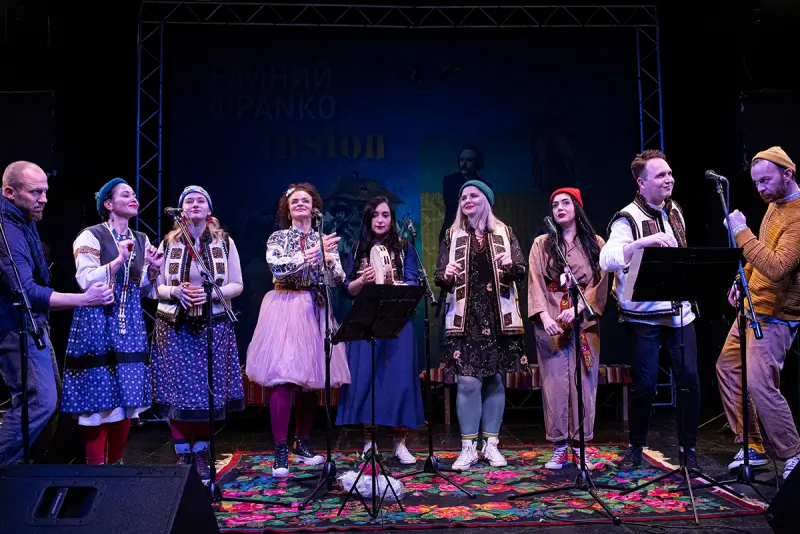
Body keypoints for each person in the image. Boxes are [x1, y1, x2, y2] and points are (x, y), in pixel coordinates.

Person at [0, 161, 113, 465]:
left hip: (33, 324)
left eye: (45, 191)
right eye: (35, 192)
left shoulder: (23, 219)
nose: (44, 199)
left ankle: (27, 471)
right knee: (40, 401)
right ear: (10, 192)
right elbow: (26, 291)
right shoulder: (6, 230)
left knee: (51, 402)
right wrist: (84, 299)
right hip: (15, 326)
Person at [599, 149, 701, 469]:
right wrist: (641, 244)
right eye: (660, 175)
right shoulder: (626, 218)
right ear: (641, 184)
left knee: (689, 379)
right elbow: (607, 259)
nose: (669, 179)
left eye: (669, 173)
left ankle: (689, 450)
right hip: (644, 315)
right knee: (645, 385)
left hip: (679, 311)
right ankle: (636, 446)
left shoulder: (675, 210)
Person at [246, 183, 351, 477]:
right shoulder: (279, 237)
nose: (300, 204)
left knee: (311, 379)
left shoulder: (322, 238)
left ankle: (302, 443)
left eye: (306, 200)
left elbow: (338, 279)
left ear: (314, 206)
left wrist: (329, 261)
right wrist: (311, 255)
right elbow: (277, 267)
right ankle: (280, 449)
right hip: (286, 306)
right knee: (284, 378)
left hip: (316, 308)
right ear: (288, 208)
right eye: (295, 201)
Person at [61, 178, 163, 464]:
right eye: (125, 194)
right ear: (108, 203)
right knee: (98, 400)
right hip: (98, 320)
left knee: (126, 399)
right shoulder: (91, 236)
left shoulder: (141, 239)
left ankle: (117, 469)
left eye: (134, 194)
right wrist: (118, 260)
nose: (133, 198)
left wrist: (154, 270)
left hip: (129, 322)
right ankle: (95, 472)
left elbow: (142, 289)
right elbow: (85, 280)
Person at [716, 146, 800, 480]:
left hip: (776, 315)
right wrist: (742, 280)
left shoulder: (797, 216)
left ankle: (792, 453)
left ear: (787, 174)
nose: (760, 188)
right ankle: (752, 445)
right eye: (756, 183)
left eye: (766, 180)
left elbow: (777, 267)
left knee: (761, 384)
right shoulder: (774, 205)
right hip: (753, 306)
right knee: (728, 368)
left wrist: (740, 230)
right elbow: (760, 253)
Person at [151, 185, 245, 479]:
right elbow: (155, 287)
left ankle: (202, 451)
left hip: (213, 325)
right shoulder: (168, 244)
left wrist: (210, 294)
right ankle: (182, 453)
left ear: (209, 209)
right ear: (180, 210)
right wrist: (175, 292)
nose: (194, 204)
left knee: (206, 391)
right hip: (174, 325)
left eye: (200, 200)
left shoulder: (224, 242)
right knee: (177, 392)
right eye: (188, 200)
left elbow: (237, 285)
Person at [434, 179, 526, 470]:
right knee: (467, 381)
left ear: (486, 200)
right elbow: (440, 276)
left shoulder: (504, 232)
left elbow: (520, 270)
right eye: (463, 197)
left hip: (498, 315)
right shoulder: (452, 235)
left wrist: (511, 265)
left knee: (494, 379)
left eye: (473, 196)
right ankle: (468, 447)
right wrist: (447, 274)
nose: (467, 201)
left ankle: (491, 445)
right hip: (466, 316)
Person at [335, 196, 425, 464]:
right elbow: (348, 290)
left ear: (392, 218)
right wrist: (362, 280)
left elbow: (412, 282)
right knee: (366, 380)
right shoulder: (357, 248)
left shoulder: (405, 246)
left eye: (385, 215)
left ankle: (400, 443)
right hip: (366, 320)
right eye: (375, 215)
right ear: (368, 218)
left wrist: (394, 282)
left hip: (397, 319)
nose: (380, 220)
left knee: (400, 379)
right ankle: (369, 442)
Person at [528, 187, 609, 470]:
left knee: (584, 383)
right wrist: (544, 316)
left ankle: (581, 446)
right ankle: (560, 447)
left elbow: (601, 282)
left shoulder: (596, 243)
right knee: (555, 384)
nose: (560, 208)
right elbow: (535, 281)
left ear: (577, 207)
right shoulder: (541, 244)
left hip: (583, 318)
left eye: (566, 203)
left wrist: (578, 309)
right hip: (552, 321)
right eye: (555, 205)